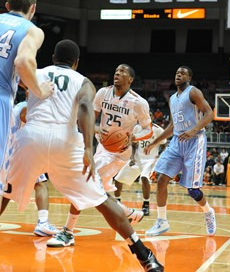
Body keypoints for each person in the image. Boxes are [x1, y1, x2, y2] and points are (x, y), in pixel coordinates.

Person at [0, 40, 163, 272]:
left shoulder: (36, 72)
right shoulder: (84, 82)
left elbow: (18, 73)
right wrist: (88, 147)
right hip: (66, 141)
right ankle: (144, 255)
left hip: (32, 137)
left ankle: (67, 229)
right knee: (103, 200)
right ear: (76, 63)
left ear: (54, 57)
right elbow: (86, 108)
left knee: (4, 193)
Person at [58, 63, 153, 239]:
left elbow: (148, 130)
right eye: (116, 71)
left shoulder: (139, 102)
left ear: (130, 79)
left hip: (118, 153)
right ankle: (130, 213)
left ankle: (68, 232)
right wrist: (94, 129)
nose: (117, 73)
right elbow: (89, 117)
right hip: (102, 147)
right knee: (94, 188)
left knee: (83, 182)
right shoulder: (103, 93)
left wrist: (133, 139)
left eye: (122, 71)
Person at [144, 66, 216, 237]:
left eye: (183, 73)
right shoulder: (172, 99)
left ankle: (208, 212)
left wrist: (193, 130)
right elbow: (172, 126)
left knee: (193, 190)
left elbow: (209, 114)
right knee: (161, 180)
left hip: (195, 141)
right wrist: (154, 142)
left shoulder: (193, 92)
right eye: (177, 72)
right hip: (177, 142)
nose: (179, 75)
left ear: (189, 77)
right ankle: (162, 222)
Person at [0, 0, 54, 187]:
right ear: (33, 8)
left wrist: (18, 78)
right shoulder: (32, 30)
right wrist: (38, 90)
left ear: (7, 5)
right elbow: (23, 61)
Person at [11, 99, 59, 236]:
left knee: (7, 192)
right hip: (20, 151)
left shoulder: (17, 107)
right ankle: (43, 223)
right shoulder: (25, 108)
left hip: (12, 151)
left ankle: (43, 223)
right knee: (41, 184)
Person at [114, 111, 167, 216]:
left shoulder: (158, 130)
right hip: (137, 159)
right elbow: (134, 144)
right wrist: (132, 157)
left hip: (150, 160)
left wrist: (159, 157)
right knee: (118, 179)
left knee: (144, 177)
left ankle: (146, 205)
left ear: (151, 118)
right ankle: (117, 203)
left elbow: (164, 145)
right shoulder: (137, 128)